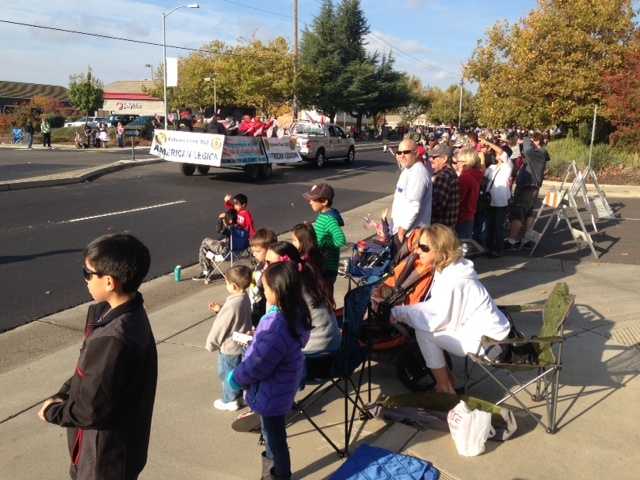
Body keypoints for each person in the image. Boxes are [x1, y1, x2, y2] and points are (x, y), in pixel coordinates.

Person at [38, 233, 157, 480]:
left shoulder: (112, 338)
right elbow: (88, 374)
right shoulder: (123, 314)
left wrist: (53, 411)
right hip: (120, 448)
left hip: (104, 458)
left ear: (110, 283)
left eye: (88, 274)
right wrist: (64, 392)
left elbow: (88, 411)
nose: (85, 281)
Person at [390, 225, 510, 394]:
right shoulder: (450, 269)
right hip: (485, 333)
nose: (417, 251)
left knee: (424, 332)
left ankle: (445, 388)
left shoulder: (454, 279)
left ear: (441, 252)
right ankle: (447, 382)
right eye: (417, 245)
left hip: (491, 344)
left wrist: (401, 314)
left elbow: (437, 320)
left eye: (424, 247)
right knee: (425, 329)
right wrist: (404, 311)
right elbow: (436, 306)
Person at [226, 261, 311, 480]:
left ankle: (278, 475)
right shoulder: (296, 314)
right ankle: (274, 471)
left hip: (270, 394)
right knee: (273, 435)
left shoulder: (277, 325)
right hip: (281, 389)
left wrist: (235, 378)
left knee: (275, 439)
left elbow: (258, 364)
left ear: (278, 291)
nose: (263, 291)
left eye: (266, 288)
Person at [266, 242, 340, 354]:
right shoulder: (308, 275)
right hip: (332, 343)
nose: (266, 267)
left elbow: (273, 326)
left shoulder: (289, 289)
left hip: (313, 349)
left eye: (270, 263)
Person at [205, 265, 253, 411]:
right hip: (242, 345)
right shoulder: (244, 298)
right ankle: (242, 396)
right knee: (239, 372)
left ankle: (229, 400)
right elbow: (236, 317)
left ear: (233, 285)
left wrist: (211, 344)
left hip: (229, 347)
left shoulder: (231, 304)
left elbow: (220, 327)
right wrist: (221, 310)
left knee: (227, 374)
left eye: (226, 283)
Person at [505, 133, 550, 248]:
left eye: (532, 141)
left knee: (518, 213)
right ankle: (525, 238)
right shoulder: (540, 154)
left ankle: (512, 240)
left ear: (537, 141)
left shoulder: (538, 152)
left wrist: (525, 138)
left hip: (527, 187)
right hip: (531, 187)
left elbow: (527, 149)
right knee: (528, 212)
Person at [303, 183, 346, 298]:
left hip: (327, 267)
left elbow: (340, 240)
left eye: (313, 200)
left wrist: (322, 243)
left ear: (324, 202)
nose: (310, 202)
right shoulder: (323, 216)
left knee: (325, 298)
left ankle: (329, 314)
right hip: (322, 266)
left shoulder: (329, 219)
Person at [390, 138, 432, 253]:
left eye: (406, 152)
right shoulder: (408, 169)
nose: (401, 156)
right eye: (399, 153)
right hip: (402, 231)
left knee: (403, 268)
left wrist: (402, 231)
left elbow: (414, 205)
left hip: (410, 234)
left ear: (416, 153)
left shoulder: (418, 173)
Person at [195, 210, 249, 284]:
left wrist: (220, 219)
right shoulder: (242, 229)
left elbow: (219, 230)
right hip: (237, 254)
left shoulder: (230, 230)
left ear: (229, 221)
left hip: (225, 255)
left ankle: (206, 271)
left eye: (225, 219)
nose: (224, 220)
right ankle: (207, 270)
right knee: (207, 248)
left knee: (204, 244)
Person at [482, 138, 514, 257]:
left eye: (497, 153)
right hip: (490, 200)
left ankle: (498, 249)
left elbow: (500, 151)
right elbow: (483, 176)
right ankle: (489, 248)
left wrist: (487, 142)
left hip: (501, 202)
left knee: (498, 226)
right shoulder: (492, 167)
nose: (496, 154)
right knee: (489, 225)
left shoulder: (508, 166)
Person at [248, 228, 278, 327]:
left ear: (270, 249)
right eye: (253, 251)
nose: (254, 254)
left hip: (265, 308)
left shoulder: (273, 270)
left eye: (258, 251)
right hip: (255, 305)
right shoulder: (260, 265)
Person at [455, 148, 483, 240]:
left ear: (467, 162)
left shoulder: (465, 178)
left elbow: (458, 199)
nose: (457, 164)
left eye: (459, 161)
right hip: (469, 216)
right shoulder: (475, 175)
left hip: (461, 217)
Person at [429, 144, 460, 228]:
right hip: (448, 226)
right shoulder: (450, 173)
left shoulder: (443, 177)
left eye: (434, 157)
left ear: (444, 159)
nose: (431, 159)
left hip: (440, 227)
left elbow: (436, 206)